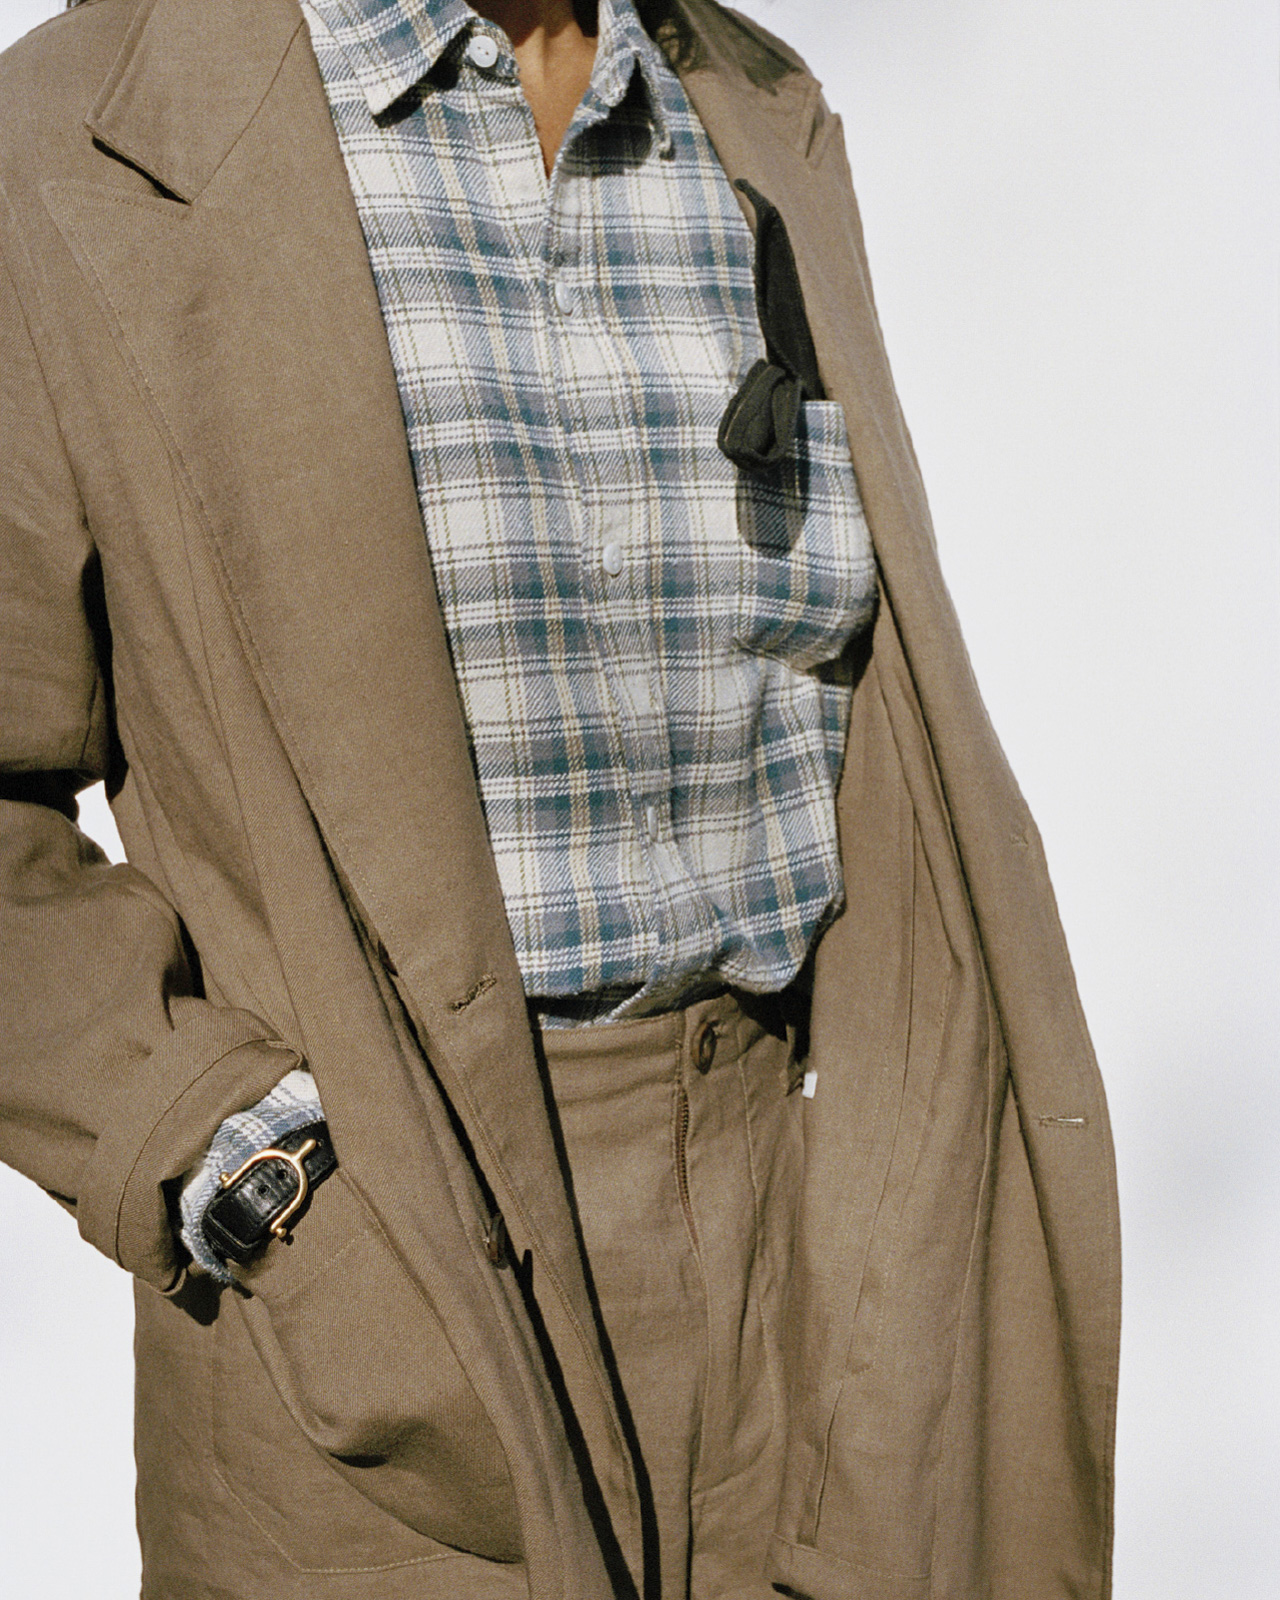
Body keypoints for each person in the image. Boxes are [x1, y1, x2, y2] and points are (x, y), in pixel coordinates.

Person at [0, 0, 1120, 1594]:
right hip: (377, 1300)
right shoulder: (70, 134)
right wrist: (241, 1169)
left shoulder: (748, 106)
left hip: (810, 1283)